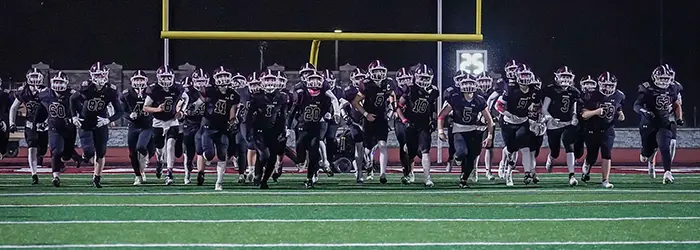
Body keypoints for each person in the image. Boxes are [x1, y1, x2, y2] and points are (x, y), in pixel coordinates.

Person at [438, 70, 494, 188]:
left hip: (475, 131)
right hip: (459, 130)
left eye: (470, 83)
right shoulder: (455, 98)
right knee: (462, 153)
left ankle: (463, 180)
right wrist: (440, 130)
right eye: (466, 83)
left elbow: (490, 120)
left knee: (472, 157)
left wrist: (489, 136)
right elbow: (441, 115)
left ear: (475, 84)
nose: (468, 86)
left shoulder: (479, 99)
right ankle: (456, 158)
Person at [70, 62, 123, 188]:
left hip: (100, 123)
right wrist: (74, 116)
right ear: (92, 76)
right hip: (86, 122)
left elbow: (120, 111)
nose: (99, 78)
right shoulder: (86, 87)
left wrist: (108, 120)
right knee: (89, 151)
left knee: (101, 152)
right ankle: (85, 156)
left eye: (101, 75)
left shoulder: (111, 90)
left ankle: (97, 178)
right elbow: (72, 99)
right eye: (97, 75)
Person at [494, 64, 542, 187]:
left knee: (520, 145)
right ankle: (504, 160)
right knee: (510, 148)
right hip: (508, 122)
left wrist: (536, 116)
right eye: (523, 75)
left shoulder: (534, 90)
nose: (525, 78)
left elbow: (537, 105)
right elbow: (498, 106)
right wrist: (508, 114)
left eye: (527, 75)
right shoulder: (510, 89)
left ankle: (509, 173)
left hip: (523, 121)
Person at [634, 65, 683, 184]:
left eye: (666, 78)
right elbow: (636, 105)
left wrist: (679, 118)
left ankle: (667, 172)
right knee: (646, 153)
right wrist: (645, 112)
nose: (664, 81)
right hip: (648, 123)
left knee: (664, 146)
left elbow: (677, 104)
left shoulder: (673, 88)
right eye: (662, 78)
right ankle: (649, 159)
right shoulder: (646, 88)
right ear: (655, 77)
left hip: (663, 122)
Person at [350, 60, 394, 184]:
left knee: (382, 145)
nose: (379, 73)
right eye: (376, 71)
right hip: (368, 119)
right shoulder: (366, 84)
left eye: (381, 71)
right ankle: (366, 166)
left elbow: (392, 95)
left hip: (381, 118)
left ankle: (382, 174)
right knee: (367, 149)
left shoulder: (388, 83)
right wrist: (366, 114)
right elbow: (355, 102)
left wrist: (392, 107)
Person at [395, 64, 439, 186]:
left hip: (423, 124)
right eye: (421, 78)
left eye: (426, 78)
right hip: (411, 124)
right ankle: (409, 173)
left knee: (425, 151)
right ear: (416, 77)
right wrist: (404, 120)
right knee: (410, 151)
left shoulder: (434, 91)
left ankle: (427, 177)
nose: (424, 81)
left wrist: (433, 120)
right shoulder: (410, 89)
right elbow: (398, 107)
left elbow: (432, 108)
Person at [580, 72, 625, 188]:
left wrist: (620, 114)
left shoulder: (619, 95)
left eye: (610, 85)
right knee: (592, 156)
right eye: (605, 85)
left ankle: (605, 180)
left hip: (608, 129)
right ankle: (587, 164)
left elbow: (618, 107)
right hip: (592, 129)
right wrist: (596, 112)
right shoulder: (591, 95)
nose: (608, 88)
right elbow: (584, 114)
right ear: (600, 84)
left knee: (607, 153)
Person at [245, 71, 287, 189]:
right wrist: (248, 130)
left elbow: (283, 116)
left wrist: (283, 130)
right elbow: (248, 116)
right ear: (262, 82)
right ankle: (258, 174)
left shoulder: (281, 97)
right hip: (259, 130)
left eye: (271, 80)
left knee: (272, 158)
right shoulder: (256, 97)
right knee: (264, 155)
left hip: (274, 131)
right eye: (267, 80)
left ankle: (264, 181)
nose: (269, 83)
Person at [143, 65, 183, 185]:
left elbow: (184, 99)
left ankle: (169, 173)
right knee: (160, 148)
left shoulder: (177, 88)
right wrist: (157, 109)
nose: (166, 80)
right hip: (158, 121)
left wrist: (181, 111)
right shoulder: (154, 89)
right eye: (163, 77)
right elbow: (145, 107)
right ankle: (160, 161)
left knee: (170, 145)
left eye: (168, 77)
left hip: (172, 121)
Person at [9, 68, 49, 184]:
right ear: (28, 78)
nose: (35, 79)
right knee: (32, 147)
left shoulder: (46, 91)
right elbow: (14, 107)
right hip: (30, 124)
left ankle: (38, 163)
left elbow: (51, 107)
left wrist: (48, 121)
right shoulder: (24, 92)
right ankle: (34, 174)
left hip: (43, 124)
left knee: (42, 150)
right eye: (33, 76)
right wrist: (12, 123)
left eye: (37, 76)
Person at [543, 66, 581, 186]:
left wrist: (574, 116)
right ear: (557, 77)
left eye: (567, 77)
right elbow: (544, 108)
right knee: (555, 152)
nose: (565, 79)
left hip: (567, 123)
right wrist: (549, 118)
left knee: (569, 144)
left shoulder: (574, 91)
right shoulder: (551, 89)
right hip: (554, 123)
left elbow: (574, 108)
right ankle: (551, 158)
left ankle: (572, 175)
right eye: (563, 76)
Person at [121, 70, 153, 185]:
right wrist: (129, 116)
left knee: (141, 147)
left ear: (146, 81)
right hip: (133, 126)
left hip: (147, 125)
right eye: (136, 79)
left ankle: (146, 155)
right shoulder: (127, 94)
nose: (139, 82)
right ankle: (138, 175)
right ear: (132, 81)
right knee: (132, 153)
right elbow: (122, 111)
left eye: (141, 79)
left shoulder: (151, 92)